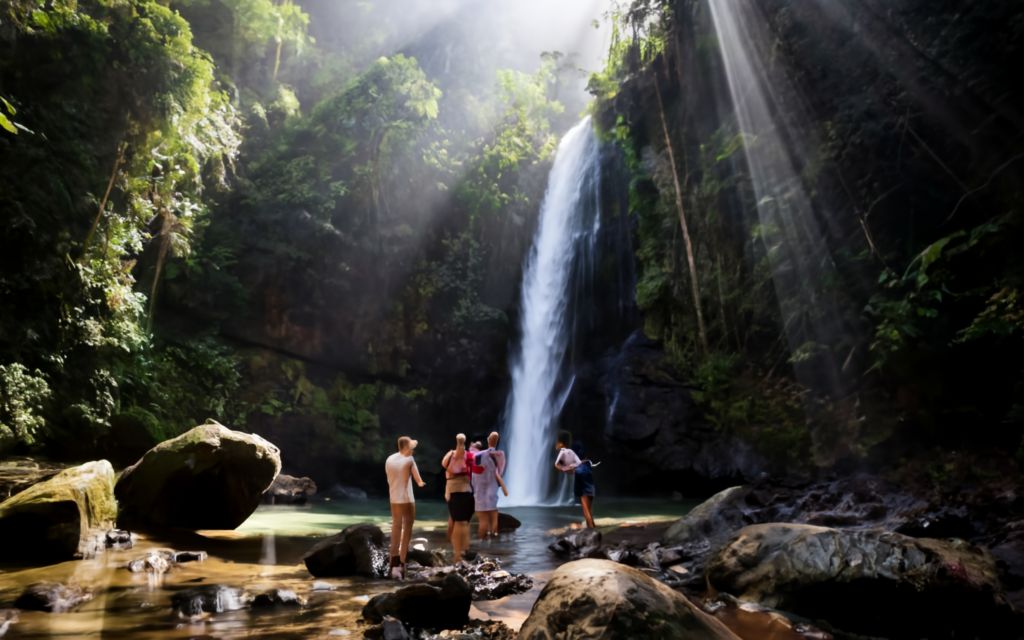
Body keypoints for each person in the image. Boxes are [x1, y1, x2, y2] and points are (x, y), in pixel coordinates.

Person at [385, 435, 425, 579]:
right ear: (406, 447)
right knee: (407, 527)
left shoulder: (389, 459)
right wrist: (421, 484)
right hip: (407, 499)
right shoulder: (409, 460)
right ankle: (402, 561)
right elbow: (418, 479)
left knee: (396, 525)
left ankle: (392, 561)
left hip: (394, 498)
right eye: (411, 447)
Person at [441, 433, 477, 563]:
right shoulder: (469, 456)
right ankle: (463, 550)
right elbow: (476, 471)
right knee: (464, 523)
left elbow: (444, 465)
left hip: (453, 491)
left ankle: (457, 553)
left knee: (457, 523)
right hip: (467, 491)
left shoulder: (450, 455)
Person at [554, 430, 596, 528]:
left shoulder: (565, 451)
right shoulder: (577, 446)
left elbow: (558, 465)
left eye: (557, 442)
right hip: (587, 471)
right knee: (588, 505)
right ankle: (593, 527)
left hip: (581, 473)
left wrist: (565, 469)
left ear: (561, 443)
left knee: (585, 505)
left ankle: (591, 530)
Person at [473, 436, 509, 538]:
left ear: (488, 440)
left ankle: (482, 539)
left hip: (481, 489)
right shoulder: (500, 454)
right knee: (493, 512)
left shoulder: (479, 455)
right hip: (493, 487)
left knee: (483, 516)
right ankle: (494, 536)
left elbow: (474, 473)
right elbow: (500, 471)